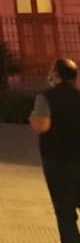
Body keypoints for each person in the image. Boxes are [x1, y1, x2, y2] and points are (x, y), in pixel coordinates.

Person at [30, 58, 80, 243]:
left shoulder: (46, 98)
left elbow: (42, 125)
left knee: (65, 212)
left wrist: (33, 119)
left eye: (52, 71)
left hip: (57, 160)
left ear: (57, 75)